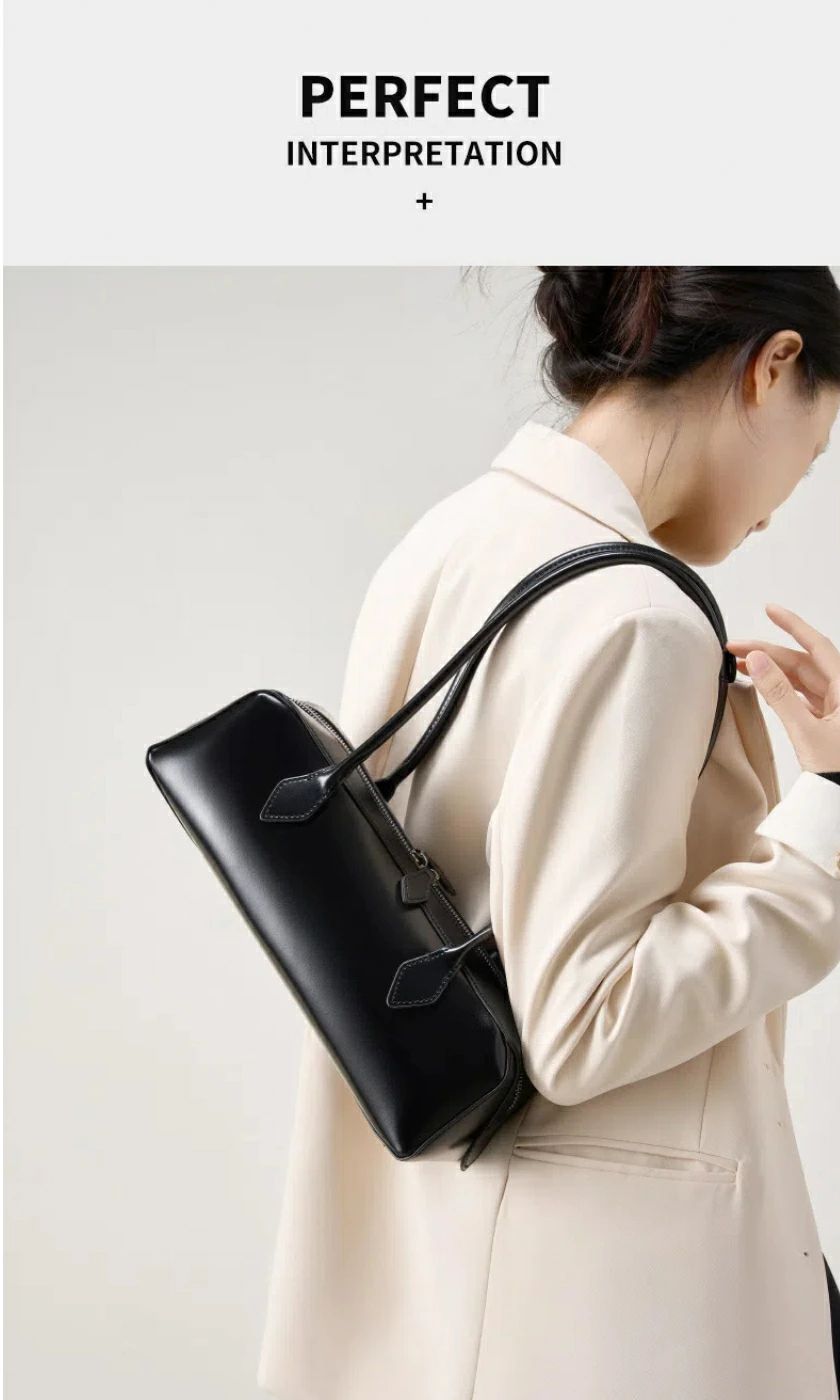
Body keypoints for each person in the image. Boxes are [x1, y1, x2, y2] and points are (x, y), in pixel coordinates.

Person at [257, 267, 840, 1400]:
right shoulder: (638, 615)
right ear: (772, 368)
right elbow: (584, 1018)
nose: (780, 506)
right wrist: (826, 817)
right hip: (589, 1300)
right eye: (812, 454)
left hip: (450, 1254)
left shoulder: (453, 539)